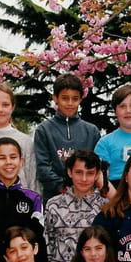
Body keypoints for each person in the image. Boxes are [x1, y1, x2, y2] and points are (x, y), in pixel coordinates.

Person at [45, 149, 109, 262]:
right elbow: (48, 244)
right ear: (69, 172)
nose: (84, 179)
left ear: (97, 174)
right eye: (79, 172)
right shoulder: (53, 205)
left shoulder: (105, 207)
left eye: (90, 173)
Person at [34, 73, 101, 201]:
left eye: (75, 99)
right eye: (65, 98)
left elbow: (97, 166)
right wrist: (63, 187)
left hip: (87, 198)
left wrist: (82, 186)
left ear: (80, 99)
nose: (70, 103)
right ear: (55, 98)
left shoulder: (92, 131)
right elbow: (43, 167)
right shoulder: (43, 130)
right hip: (54, 199)